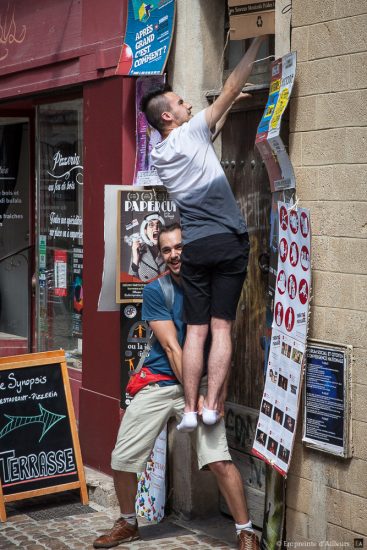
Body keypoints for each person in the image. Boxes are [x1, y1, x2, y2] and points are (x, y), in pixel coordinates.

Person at [93, 224, 260, 550]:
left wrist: (217, 393)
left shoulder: (213, 288)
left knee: (219, 459)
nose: (173, 255)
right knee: (121, 458)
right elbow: (172, 349)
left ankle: (246, 532)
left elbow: (223, 341)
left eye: (179, 247)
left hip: (201, 384)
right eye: (166, 250)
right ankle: (128, 523)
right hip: (161, 381)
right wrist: (194, 396)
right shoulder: (156, 290)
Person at [141, 36, 267, 431]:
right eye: (181, 103)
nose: (189, 105)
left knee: (195, 330)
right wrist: (258, 40)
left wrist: (217, 114)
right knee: (221, 327)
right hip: (228, 239)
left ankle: (192, 411)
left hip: (195, 245)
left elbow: (207, 132)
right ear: (168, 116)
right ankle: (214, 405)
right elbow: (229, 92)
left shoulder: (160, 156)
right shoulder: (192, 132)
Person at [128, 213, 165, 281]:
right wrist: (136, 259)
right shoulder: (138, 249)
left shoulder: (169, 247)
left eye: (158, 224)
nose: (156, 228)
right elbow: (131, 281)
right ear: (145, 231)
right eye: (151, 225)